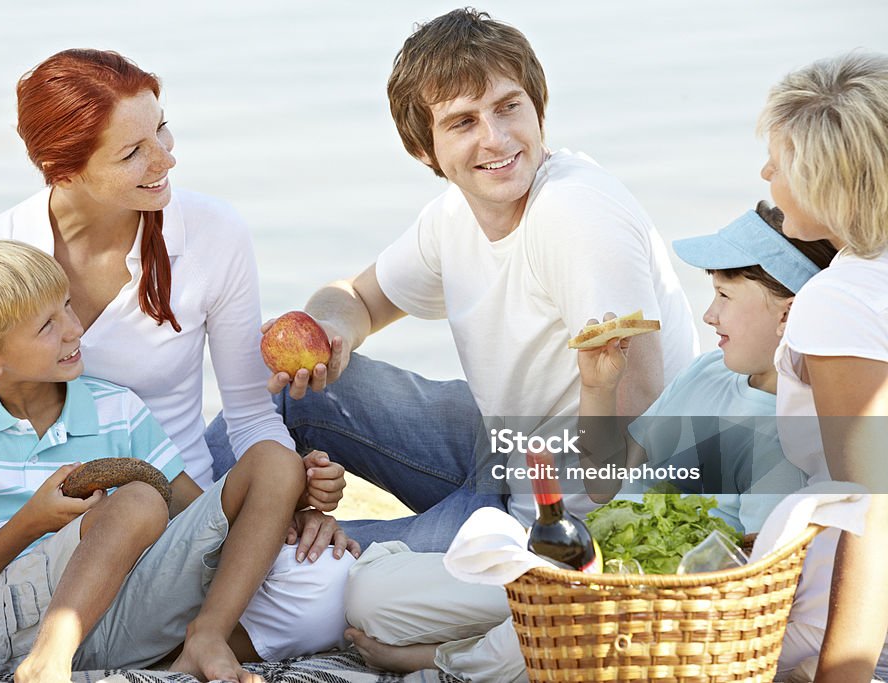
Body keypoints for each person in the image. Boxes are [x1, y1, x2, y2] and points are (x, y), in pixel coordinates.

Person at [0, 48, 354, 683]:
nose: (166, 158)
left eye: (162, 129)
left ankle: (177, 638)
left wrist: (282, 501)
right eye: (132, 152)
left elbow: (251, 417)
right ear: (61, 169)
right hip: (12, 552)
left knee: (327, 587)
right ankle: (78, 644)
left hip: (172, 529)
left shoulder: (212, 234)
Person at [207, 6, 699, 553]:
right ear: (424, 150)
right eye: (464, 122)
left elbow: (642, 425)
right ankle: (182, 521)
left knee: (296, 568)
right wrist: (329, 333)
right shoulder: (454, 215)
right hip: (501, 444)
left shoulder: (575, 213)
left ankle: (216, 557)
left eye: (509, 108)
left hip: (565, 509)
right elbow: (358, 298)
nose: (496, 138)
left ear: (539, 109)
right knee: (296, 398)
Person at [341, 202, 835, 682]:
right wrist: (598, 388)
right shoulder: (709, 374)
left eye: (725, 298)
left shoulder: (791, 438)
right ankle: (500, 643)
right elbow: (604, 486)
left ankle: (445, 663)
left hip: (640, 609)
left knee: (565, 631)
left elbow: (748, 584)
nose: (708, 315)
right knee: (370, 596)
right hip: (578, 565)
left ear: (788, 316)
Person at [0, 238, 339, 683]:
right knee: (140, 500)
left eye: (68, 307)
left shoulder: (118, 407)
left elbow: (198, 517)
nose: (74, 329)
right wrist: (32, 522)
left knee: (274, 460)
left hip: (120, 610)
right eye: (47, 327)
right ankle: (46, 663)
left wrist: (289, 505)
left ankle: (206, 637)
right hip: (14, 628)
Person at [755, 53, 888, 682]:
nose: (764, 175)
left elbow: (875, 510)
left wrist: (843, 674)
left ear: (822, 182)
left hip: (848, 608)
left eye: (777, 166)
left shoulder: (839, 301)